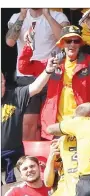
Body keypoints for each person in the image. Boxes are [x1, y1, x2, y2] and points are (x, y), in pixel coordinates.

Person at [17, 25, 90, 140]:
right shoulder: (53, 63)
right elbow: (24, 67)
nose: (72, 44)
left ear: (80, 44)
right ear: (62, 44)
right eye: (68, 41)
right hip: (57, 126)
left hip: (83, 124)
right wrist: (28, 46)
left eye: (76, 41)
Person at [6, 8, 70, 140]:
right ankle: (28, 158)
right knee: (28, 121)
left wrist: (47, 15)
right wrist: (23, 14)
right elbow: (10, 42)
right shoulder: (16, 16)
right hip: (26, 74)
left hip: (53, 74)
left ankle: (50, 157)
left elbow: (65, 41)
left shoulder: (58, 16)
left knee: (50, 120)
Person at [1, 57, 57, 184]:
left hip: (15, 155)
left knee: (16, 190)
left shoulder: (15, 95)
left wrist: (48, 71)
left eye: (1, 82)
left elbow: (36, 87)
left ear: (4, 81)